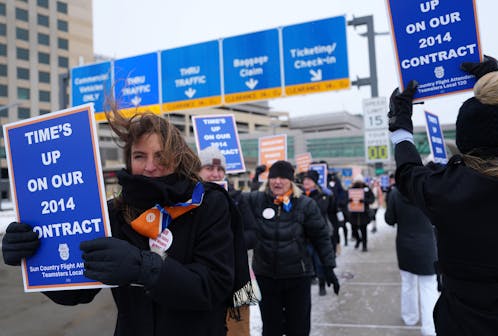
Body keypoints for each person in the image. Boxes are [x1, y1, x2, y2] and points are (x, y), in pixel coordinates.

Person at [2, 107, 252, 336]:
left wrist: (143, 268)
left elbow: (212, 286)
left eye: (161, 156)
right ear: (129, 161)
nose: (150, 166)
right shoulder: (115, 212)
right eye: (140, 156)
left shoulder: (207, 203)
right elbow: (78, 291)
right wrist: (35, 257)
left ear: (177, 158)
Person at [387, 55, 498, 335]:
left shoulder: (449, 190)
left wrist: (400, 124)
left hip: (463, 321)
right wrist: (495, 82)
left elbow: (407, 173)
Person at [244, 160, 339, 336]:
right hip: (266, 277)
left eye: (283, 178)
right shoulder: (256, 200)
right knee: (271, 329)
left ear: (291, 181)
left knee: (298, 328)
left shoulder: (305, 204)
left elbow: (321, 237)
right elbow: (231, 199)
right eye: (273, 177)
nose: (277, 182)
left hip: (298, 278)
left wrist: (328, 267)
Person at [197, 145, 258, 336]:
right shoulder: (188, 200)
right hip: (202, 280)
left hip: (237, 278)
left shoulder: (238, 198)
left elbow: (253, 234)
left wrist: (229, 239)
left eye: (220, 169)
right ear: (198, 171)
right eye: (209, 168)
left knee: (238, 330)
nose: (215, 174)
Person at [385, 187, 438, 336]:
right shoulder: (430, 189)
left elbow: (389, 219)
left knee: (408, 283)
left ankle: (410, 317)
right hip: (427, 246)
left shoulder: (395, 193)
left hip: (405, 246)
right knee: (428, 288)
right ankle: (430, 327)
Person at [302, 169, 339, 296]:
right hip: (303, 235)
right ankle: (310, 279)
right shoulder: (299, 195)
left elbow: (323, 210)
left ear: (315, 182)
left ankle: (322, 284)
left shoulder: (322, 195)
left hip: (318, 234)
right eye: (305, 179)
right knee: (307, 261)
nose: (306, 182)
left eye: (309, 180)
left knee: (319, 262)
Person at [346, 175, 375, 252]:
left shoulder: (367, 189)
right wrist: (350, 200)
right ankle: (358, 239)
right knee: (354, 229)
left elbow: (372, 199)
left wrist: (364, 201)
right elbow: (346, 199)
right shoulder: (351, 189)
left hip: (363, 214)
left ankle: (364, 245)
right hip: (354, 214)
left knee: (363, 230)